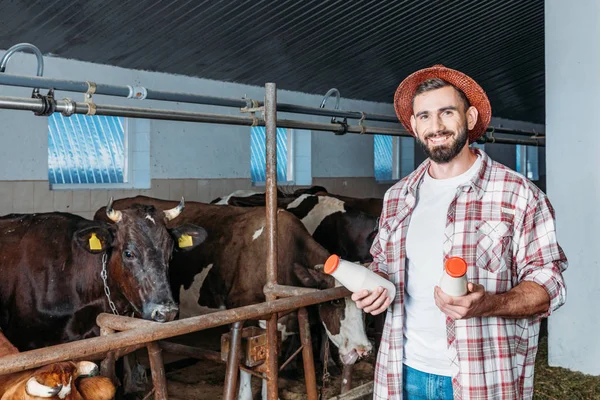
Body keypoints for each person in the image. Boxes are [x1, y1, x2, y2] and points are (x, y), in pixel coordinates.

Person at [351, 65, 568, 400]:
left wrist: (491, 304)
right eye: (424, 116)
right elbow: (382, 264)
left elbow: (549, 283)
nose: (435, 127)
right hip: (402, 372)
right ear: (413, 125)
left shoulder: (518, 194)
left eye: (446, 112)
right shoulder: (397, 197)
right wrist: (375, 287)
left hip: (482, 378)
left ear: (469, 118)